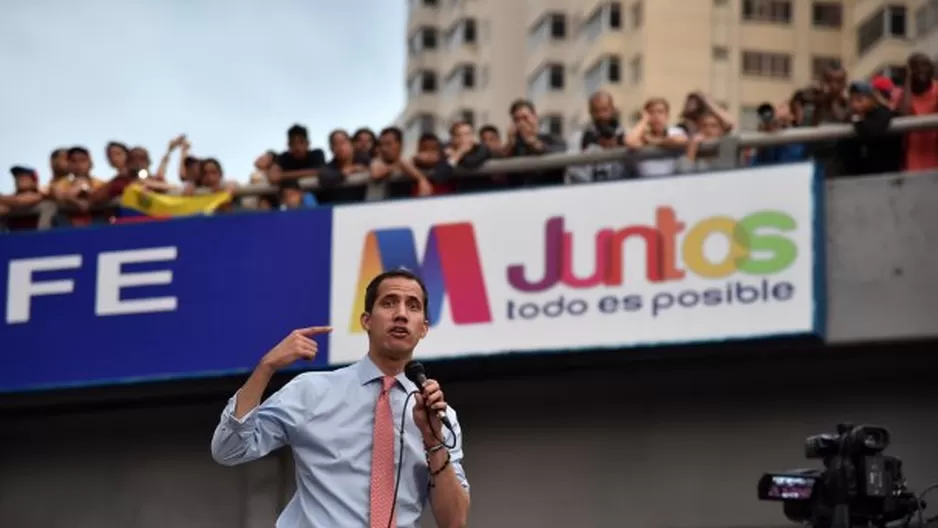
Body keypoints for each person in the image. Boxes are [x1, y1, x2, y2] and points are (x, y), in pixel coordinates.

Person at [211, 269, 470, 528]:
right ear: (366, 320)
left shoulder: (439, 415)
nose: (401, 314)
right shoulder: (311, 391)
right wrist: (265, 367)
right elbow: (229, 449)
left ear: (424, 328)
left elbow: (454, 522)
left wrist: (432, 440)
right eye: (389, 302)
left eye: (412, 306)